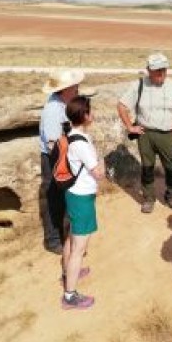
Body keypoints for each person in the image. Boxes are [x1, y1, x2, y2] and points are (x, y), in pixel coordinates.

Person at [117, 53, 172, 213]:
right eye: (157, 70)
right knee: (147, 167)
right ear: (148, 70)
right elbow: (121, 106)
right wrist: (130, 127)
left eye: (163, 69)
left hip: (167, 134)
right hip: (145, 134)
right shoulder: (139, 85)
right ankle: (149, 198)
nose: (161, 73)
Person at [61, 95, 105, 310]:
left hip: (72, 193)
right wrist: (103, 162)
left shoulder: (71, 135)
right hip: (82, 197)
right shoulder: (82, 143)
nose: (92, 114)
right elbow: (98, 173)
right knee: (79, 248)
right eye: (90, 110)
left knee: (71, 236)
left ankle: (68, 271)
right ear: (84, 115)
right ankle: (70, 296)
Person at [39, 69, 87, 254]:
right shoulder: (53, 109)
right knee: (54, 198)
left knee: (64, 199)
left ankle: (66, 238)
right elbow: (53, 143)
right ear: (65, 89)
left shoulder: (63, 103)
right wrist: (67, 161)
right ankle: (52, 241)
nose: (77, 88)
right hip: (54, 159)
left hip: (63, 157)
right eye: (74, 86)